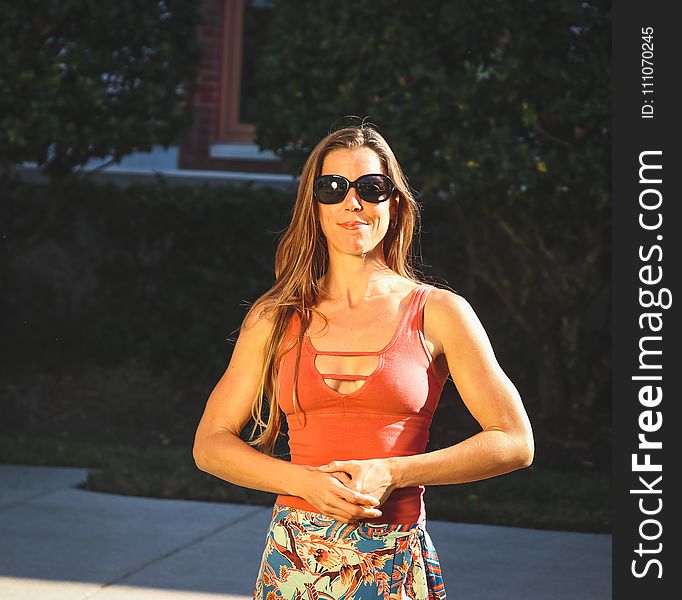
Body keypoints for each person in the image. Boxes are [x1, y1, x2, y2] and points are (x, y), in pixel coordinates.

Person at [193, 124, 534, 599]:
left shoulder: (440, 312)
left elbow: (515, 441)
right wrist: (301, 482)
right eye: (333, 189)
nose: (352, 203)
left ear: (394, 203)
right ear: (313, 206)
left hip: (394, 564)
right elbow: (210, 444)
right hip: (295, 561)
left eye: (371, 188)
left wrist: (396, 472)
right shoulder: (275, 317)